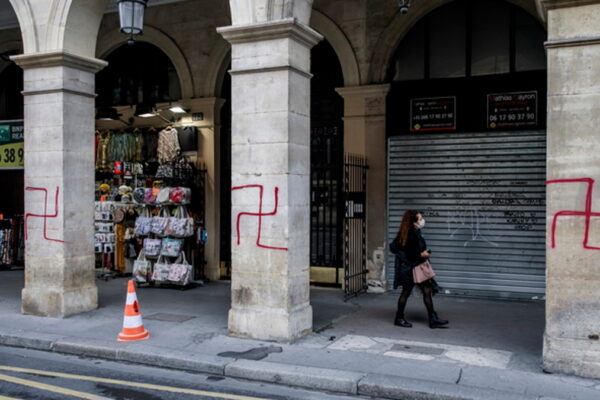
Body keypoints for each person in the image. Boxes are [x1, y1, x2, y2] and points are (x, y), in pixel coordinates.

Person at [391, 210, 448, 329]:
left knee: (426, 290)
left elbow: (397, 248)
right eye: (420, 219)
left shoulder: (408, 232)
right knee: (406, 292)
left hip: (414, 267)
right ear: (414, 222)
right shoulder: (411, 234)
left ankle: (432, 319)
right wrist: (423, 254)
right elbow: (412, 254)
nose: (423, 220)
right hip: (412, 269)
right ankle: (399, 318)